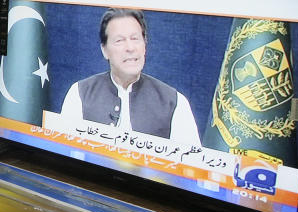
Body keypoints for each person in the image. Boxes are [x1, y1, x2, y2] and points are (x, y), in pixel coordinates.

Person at [60, 8, 202, 145]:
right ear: (104, 50)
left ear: (144, 46)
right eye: (119, 40)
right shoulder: (79, 94)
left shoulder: (174, 102)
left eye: (135, 39)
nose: (130, 48)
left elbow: (191, 165)